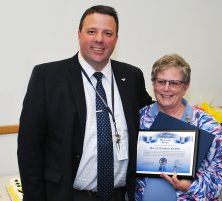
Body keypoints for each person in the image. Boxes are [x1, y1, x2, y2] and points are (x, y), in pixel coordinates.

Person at [17, 5, 152, 201]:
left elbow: (153, 116)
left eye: (108, 33)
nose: (99, 39)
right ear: (79, 34)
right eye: (92, 31)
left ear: (116, 39)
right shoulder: (47, 77)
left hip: (121, 195)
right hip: (68, 196)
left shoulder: (131, 76)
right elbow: (29, 148)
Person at [135, 54, 222, 201]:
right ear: (153, 84)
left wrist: (190, 186)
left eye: (174, 83)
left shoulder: (206, 125)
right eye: (161, 81)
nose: (166, 88)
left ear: (185, 86)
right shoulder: (139, 118)